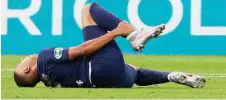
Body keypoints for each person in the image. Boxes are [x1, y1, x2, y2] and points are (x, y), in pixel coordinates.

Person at [14, 3, 206, 88]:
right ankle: (133, 35)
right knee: (89, 9)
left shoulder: (49, 82)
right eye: (22, 63)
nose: (24, 58)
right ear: (28, 70)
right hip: (100, 68)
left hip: (108, 80)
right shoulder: (45, 57)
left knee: (135, 71)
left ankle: (172, 77)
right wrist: (116, 32)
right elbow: (82, 50)